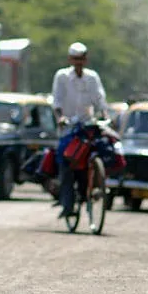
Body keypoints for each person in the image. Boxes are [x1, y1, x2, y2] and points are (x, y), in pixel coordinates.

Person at [51, 42, 109, 218]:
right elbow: (57, 101)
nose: (78, 62)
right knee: (66, 161)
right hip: (69, 129)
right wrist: (60, 118)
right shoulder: (62, 76)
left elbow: (100, 100)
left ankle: (97, 185)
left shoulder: (92, 78)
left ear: (86, 59)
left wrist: (105, 116)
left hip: (87, 127)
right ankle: (67, 202)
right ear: (70, 59)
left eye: (81, 59)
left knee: (103, 151)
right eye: (75, 59)